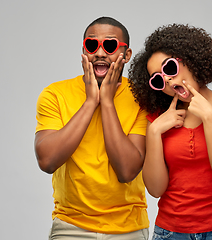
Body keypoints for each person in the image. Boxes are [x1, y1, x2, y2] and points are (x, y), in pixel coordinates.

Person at [128, 23, 212, 240]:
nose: (167, 79)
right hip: (169, 233)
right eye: (158, 79)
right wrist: (154, 131)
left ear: (189, 59)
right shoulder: (159, 118)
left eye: (169, 68)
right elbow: (156, 189)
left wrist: (209, 117)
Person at [34, 16, 149, 240]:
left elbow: (127, 171)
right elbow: (47, 161)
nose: (100, 52)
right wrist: (90, 102)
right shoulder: (55, 94)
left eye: (110, 45)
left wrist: (106, 102)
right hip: (70, 226)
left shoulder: (142, 99)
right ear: (84, 51)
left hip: (128, 229)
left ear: (126, 55)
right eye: (91, 44)